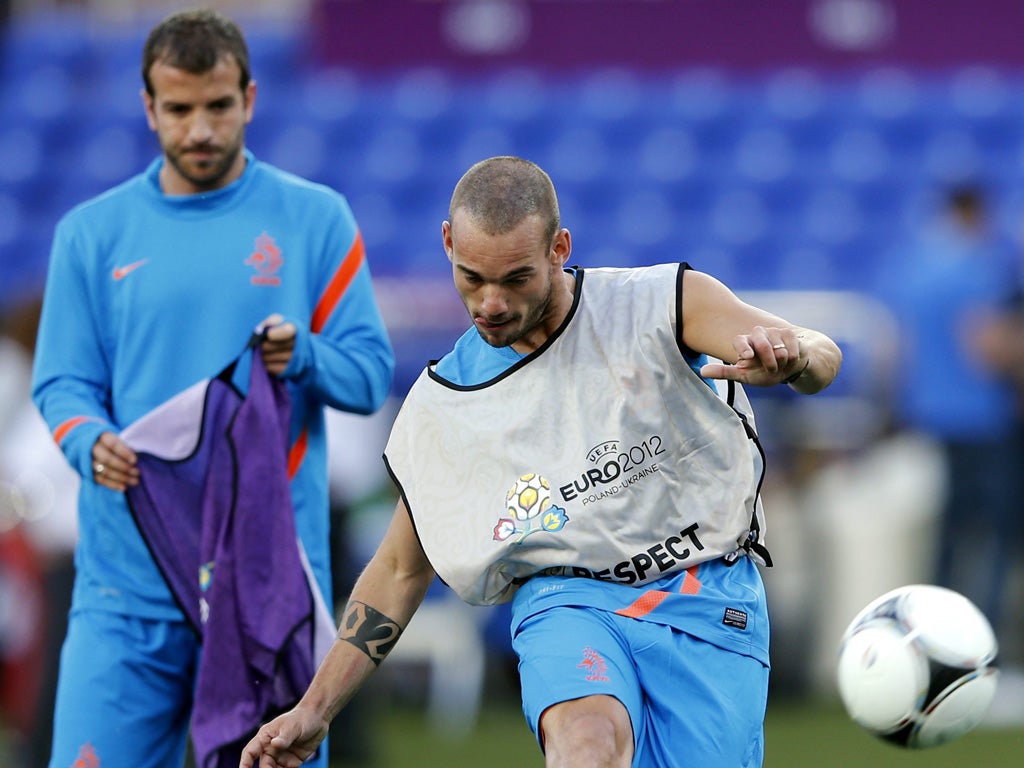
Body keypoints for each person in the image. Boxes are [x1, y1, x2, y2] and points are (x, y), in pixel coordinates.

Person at [240, 156, 842, 768]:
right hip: (566, 600)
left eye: (517, 278)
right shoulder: (444, 406)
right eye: (471, 277)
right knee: (588, 747)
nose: (492, 302)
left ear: (560, 248)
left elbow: (822, 353)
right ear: (448, 243)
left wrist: (792, 360)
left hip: (706, 594)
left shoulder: (661, 303)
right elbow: (399, 569)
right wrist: (313, 710)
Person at [30, 8, 394, 768]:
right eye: (180, 109)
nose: (200, 129)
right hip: (125, 590)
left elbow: (366, 376)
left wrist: (305, 358)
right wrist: (87, 440)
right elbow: (63, 381)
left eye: (218, 106)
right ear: (149, 107)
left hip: (268, 593)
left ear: (250, 99)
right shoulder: (91, 233)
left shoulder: (314, 219)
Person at [877, 182, 1021, 641]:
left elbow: (894, 350)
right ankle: (984, 645)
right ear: (975, 212)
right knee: (995, 538)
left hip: (928, 417)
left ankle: (932, 639)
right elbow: (986, 343)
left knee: (946, 536)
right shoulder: (979, 266)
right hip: (981, 418)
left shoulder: (912, 266)